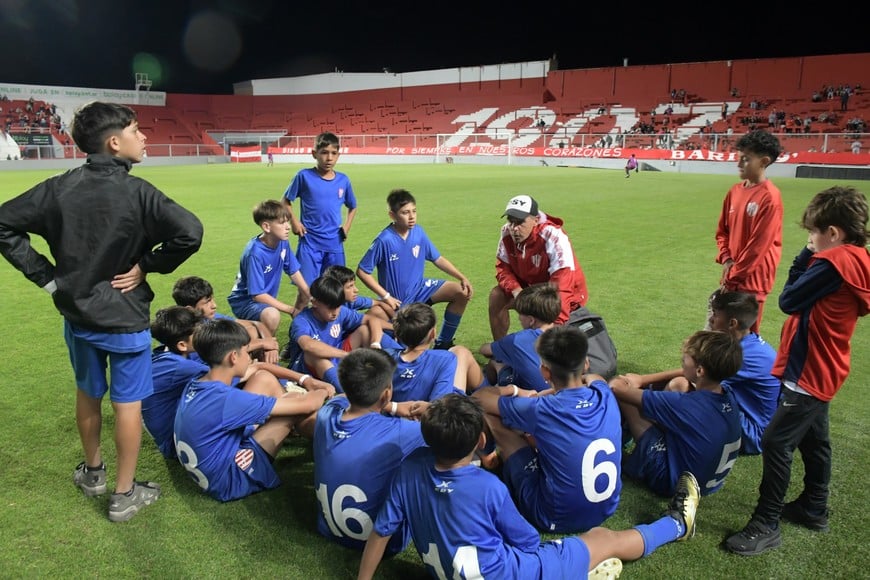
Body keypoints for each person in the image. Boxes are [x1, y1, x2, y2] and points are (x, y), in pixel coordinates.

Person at [0, 101, 203, 522]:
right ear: (115, 142)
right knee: (127, 406)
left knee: (88, 393)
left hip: (76, 315)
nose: (143, 136)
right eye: (135, 130)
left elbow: (4, 223)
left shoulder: (57, 187)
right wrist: (147, 265)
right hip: (124, 318)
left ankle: (93, 474)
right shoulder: (139, 192)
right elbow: (190, 232)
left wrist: (48, 278)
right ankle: (124, 494)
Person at [358, 394, 702, 580]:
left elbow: (382, 531)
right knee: (602, 537)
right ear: (480, 440)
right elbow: (527, 541)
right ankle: (677, 524)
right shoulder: (487, 488)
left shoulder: (410, 469)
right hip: (513, 573)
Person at [724, 186, 870, 556]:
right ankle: (814, 507)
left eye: (814, 233)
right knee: (814, 439)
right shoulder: (858, 258)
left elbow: (788, 299)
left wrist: (806, 252)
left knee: (777, 441)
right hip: (825, 365)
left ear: (833, 233)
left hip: (808, 368)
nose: (811, 240)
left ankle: (766, 523)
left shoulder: (833, 261)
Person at [473, 325, 622, 533]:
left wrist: (512, 389)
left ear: (545, 371)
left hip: (551, 516)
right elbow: (595, 379)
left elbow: (480, 398)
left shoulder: (542, 409)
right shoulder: (604, 395)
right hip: (605, 509)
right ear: (586, 363)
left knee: (493, 414)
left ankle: (488, 457)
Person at [173, 318, 329, 502]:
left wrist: (304, 380)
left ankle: (299, 430)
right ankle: (333, 446)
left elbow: (258, 367)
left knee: (263, 378)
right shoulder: (228, 401)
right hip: (229, 479)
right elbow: (309, 404)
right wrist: (323, 390)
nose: (249, 357)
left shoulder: (200, 381)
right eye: (246, 352)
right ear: (233, 357)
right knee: (295, 402)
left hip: (215, 458)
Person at [624, 291, 778, 456]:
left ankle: (652, 439)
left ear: (732, 323)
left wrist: (642, 379)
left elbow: (696, 372)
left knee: (679, 386)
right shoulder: (747, 343)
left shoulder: (745, 354)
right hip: (738, 413)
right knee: (681, 387)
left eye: (716, 315)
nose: (711, 320)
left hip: (751, 433)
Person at [313, 348, 428, 556]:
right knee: (431, 458)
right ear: (386, 393)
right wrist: (420, 408)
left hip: (328, 529)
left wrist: (390, 406)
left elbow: (341, 398)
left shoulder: (326, 413)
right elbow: (453, 426)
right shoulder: (403, 432)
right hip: (385, 543)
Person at [610, 330, 743, 497]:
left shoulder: (686, 405)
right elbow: (684, 375)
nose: (682, 360)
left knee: (625, 395)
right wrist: (644, 379)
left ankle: (619, 445)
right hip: (704, 482)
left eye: (685, 358)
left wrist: (626, 382)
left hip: (675, 485)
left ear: (700, 371)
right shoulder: (727, 394)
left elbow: (617, 387)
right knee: (679, 383)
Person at [357, 188, 473, 350]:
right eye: (405, 212)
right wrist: (386, 296)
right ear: (392, 215)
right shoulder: (384, 240)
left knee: (461, 292)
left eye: (414, 211)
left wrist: (461, 277)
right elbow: (362, 271)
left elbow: (437, 258)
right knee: (370, 320)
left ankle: (443, 342)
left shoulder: (418, 232)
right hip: (396, 300)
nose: (412, 217)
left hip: (421, 289)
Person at [489, 194, 588, 340]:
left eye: (520, 222)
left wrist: (555, 326)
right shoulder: (507, 232)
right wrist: (516, 291)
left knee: (548, 333)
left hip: (562, 296)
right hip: (532, 290)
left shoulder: (553, 235)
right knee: (497, 295)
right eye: (511, 221)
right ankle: (501, 353)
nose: (514, 228)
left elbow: (562, 285)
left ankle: (546, 356)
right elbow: (503, 268)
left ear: (535, 220)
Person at [713, 129, 783, 334]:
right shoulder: (735, 191)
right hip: (732, 274)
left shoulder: (770, 198)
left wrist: (732, 278)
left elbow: (757, 248)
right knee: (726, 336)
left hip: (753, 281)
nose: (738, 164)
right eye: (739, 157)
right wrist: (726, 259)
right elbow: (722, 231)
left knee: (746, 338)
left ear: (763, 161)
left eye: (745, 159)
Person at [286, 275, 395, 392]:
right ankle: (356, 397)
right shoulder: (302, 321)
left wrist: (376, 342)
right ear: (314, 302)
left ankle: (404, 362)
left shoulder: (341, 311)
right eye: (331, 308)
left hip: (337, 356)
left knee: (365, 330)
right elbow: (308, 345)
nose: (335, 313)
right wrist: (347, 355)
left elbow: (371, 319)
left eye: (337, 307)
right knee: (315, 356)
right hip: (307, 369)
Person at [227, 199, 311, 338]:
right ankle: (261, 349)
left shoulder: (282, 242)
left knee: (305, 292)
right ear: (266, 227)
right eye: (282, 222)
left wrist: (308, 293)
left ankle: (294, 340)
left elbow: (293, 270)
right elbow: (257, 295)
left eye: (288, 221)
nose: (288, 227)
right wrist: (291, 309)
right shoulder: (255, 253)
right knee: (272, 315)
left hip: (261, 299)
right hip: (245, 302)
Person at [281, 132, 357, 284]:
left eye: (333, 153)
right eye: (324, 153)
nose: (329, 158)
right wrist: (295, 222)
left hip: (335, 243)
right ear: (314, 154)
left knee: (336, 289)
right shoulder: (304, 176)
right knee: (306, 291)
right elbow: (285, 201)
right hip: (310, 242)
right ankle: (301, 308)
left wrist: (347, 227)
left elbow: (353, 206)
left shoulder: (343, 180)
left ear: (338, 155)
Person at [144, 306, 208, 460]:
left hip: (174, 435)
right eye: (198, 332)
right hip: (175, 443)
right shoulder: (179, 366)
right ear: (182, 345)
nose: (203, 334)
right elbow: (226, 375)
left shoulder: (168, 355)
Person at [173, 275, 280, 363]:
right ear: (190, 309)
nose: (214, 305)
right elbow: (222, 355)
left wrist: (269, 343)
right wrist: (261, 343)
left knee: (252, 331)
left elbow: (256, 324)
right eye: (207, 302)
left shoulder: (209, 318)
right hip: (212, 377)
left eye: (212, 299)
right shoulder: (187, 334)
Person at [388, 302, 483, 401]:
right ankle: (487, 391)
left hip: (390, 413)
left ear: (398, 334)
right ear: (433, 333)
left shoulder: (385, 356)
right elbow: (441, 406)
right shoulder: (444, 358)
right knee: (460, 352)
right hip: (440, 411)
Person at [479, 282, 559, 391]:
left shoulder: (518, 340)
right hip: (564, 397)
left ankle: (482, 391)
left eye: (520, 314)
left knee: (496, 362)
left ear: (531, 320)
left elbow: (484, 350)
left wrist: (504, 351)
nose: (519, 318)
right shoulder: (568, 335)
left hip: (533, 401)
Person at [321, 264, 393, 322]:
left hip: (352, 335)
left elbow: (380, 303)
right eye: (350, 286)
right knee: (367, 328)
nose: (356, 290)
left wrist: (397, 321)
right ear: (337, 288)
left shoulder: (351, 301)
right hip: (343, 338)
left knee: (378, 311)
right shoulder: (326, 311)